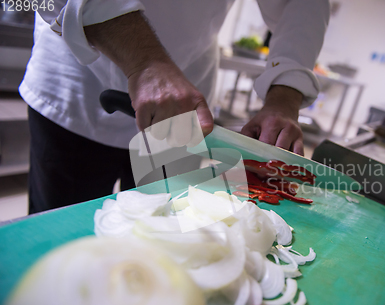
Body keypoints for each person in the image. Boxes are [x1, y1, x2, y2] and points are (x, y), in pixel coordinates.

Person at [21, 0, 330, 214]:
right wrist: (145, 62)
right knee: (63, 242)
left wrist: (284, 96)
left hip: (185, 104)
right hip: (79, 83)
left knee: (169, 228)